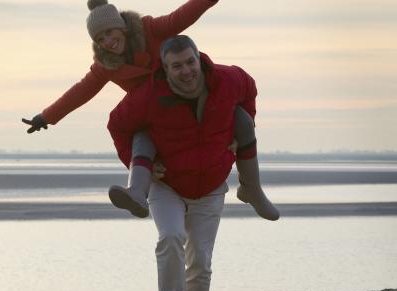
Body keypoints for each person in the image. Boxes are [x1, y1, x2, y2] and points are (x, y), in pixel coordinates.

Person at [22, 0, 278, 221]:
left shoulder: (151, 30)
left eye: (110, 33)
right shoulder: (106, 65)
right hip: (158, 115)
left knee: (242, 119)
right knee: (141, 136)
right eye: (101, 39)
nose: (108, 42)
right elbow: (81, 91)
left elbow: (184, 15)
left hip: (193, 94)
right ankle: (136, 192)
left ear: (121, 25)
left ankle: (251, 188)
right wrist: (47, 116)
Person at [107, 35, 276, 291]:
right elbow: (117, 124)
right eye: (177, 66)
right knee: (171, 237)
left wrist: (241, 127)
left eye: (190, 62)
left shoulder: (229, 79)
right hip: (167, 184)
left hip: (210, 185)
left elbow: (250, 89)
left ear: (199, 58)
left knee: (200, 259)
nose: (186, 71)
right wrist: (133, 163)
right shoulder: (149, 94)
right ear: (165, 68)